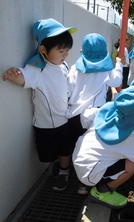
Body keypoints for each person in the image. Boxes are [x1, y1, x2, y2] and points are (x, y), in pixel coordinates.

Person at [2, 18, 76, 191]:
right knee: (48, 153)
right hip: (46, 125)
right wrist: (13, 75)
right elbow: (23, 78)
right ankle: (58, 166)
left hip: (65, 119)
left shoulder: (63, 64)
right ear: (43, 49)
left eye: (67, 50)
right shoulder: (37, 68)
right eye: (61, 50)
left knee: (65, 149)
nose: (65, 55)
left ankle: (64, 173)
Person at [66, 33, 124, 194]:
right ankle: (83, 184)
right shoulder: (107, 70)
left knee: (74, 148)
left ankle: (70, 175)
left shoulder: (74, 68)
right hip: (94, 118)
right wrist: (119, 64)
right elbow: (117, 81)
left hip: (74, 116)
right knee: (88, 151)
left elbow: (68, 90)